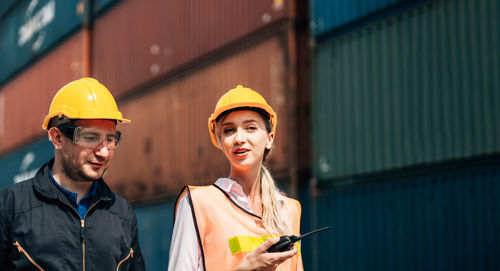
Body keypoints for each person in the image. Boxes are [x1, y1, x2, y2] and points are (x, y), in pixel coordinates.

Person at [0, 78, 145, 270]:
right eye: (90, 138)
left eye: (110, 140)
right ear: (57, 138)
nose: (103, 152)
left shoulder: (123, 214)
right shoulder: (10, 206)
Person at [168, 85, 303, 271]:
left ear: (269, 138)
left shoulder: (289, 210)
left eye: (250, 128)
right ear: (220, 141)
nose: (239, 138)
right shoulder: (197, 204)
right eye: (229, 130)